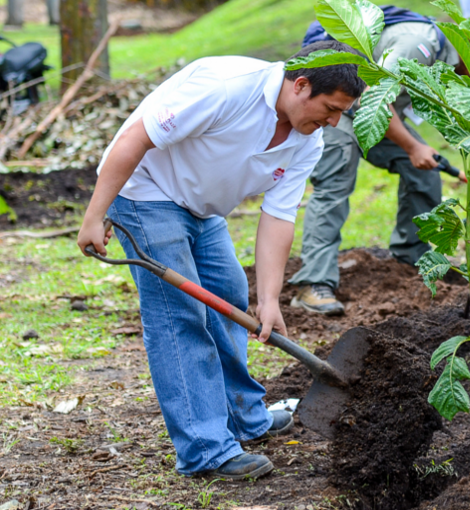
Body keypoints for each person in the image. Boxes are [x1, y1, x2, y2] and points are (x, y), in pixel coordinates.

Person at [76, 41, 366, 478]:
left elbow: (279, 215)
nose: (334, 120)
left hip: (201, 207)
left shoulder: (308, 139)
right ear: (300, 85)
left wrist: (269, 299)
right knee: (181, 316)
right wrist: (96, 214)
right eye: (330, 108)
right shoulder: (229, 88)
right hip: (145, 191)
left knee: (228, 296)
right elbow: (137, 135)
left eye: (342, 112)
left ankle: (242, 416)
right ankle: (205, 449)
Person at [291, 10, 470, 315]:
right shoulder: (419, 44)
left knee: (424, 173)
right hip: (340, 108)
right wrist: (412, 146)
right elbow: (374, 97)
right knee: (335, 184)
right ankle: (313, 285)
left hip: (380, 116)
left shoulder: (451, 65)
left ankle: (413, 255)